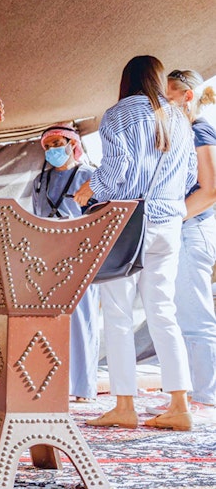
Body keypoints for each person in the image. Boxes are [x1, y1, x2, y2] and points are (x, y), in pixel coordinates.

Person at [74, 55, 195, 431]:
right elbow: (190, 173)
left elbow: (117, 169)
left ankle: (125, 406)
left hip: (126, 223)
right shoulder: (180, 117)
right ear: (159, 79)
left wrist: (90, 190)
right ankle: (179, 405)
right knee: (163, 311)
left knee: (118, 314)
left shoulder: (118, 115)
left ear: (126, 80)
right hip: (169, 223)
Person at [152, 69, 216, 424]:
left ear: (187, 96)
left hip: (194, 229)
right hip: (186, 228)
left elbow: (210, 190)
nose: (165, 104)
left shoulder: (200, 130)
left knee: (196, 317)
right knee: (183, 314)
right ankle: (193, 396)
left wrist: (172, 220)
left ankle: (206, 399)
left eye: (171, 96)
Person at [30, 125, 101, 402]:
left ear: (72, 144)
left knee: (82, 320)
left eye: (57, 143)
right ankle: (53, 382)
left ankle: (83, 387)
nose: (52, 150)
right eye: (47, 147)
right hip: (48, 253)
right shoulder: (39, 181)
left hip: (81, 251)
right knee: (49, 321)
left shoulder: (90, 176)